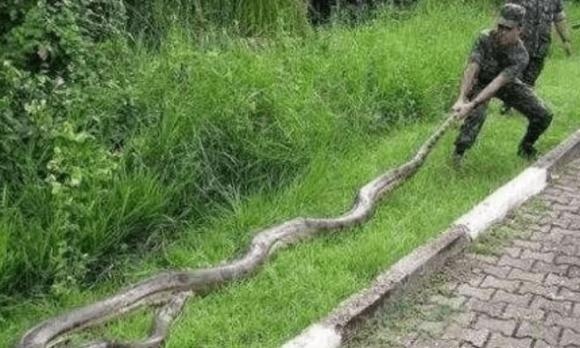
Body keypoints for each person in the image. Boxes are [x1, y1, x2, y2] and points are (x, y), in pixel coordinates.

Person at [451, 3, 553, 165]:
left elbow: (498, 83)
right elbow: (472, 67)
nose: (502, 31)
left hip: (505, 84)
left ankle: (526, 147)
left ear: (519, 30)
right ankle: (458, 154)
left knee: (544, 114)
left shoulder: (521, 55)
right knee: (478, 114)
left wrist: (472, 104)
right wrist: (462, 98)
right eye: (501, 26)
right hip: (481, 82)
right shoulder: (484, 38)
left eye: (508, 28)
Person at [501, 0, 572, 114]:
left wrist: (566, 40)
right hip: (520, 43)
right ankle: (508, 104)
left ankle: (522, 105)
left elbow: (559, 18)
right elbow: (505, 14)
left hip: (541, 46)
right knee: (516, 74)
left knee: (530, 78)